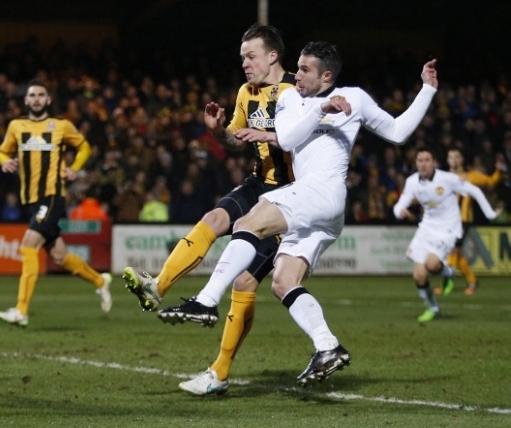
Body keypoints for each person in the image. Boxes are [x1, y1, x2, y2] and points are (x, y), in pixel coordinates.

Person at [175, 42, 437, 394]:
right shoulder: (288, 98)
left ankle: (206, 300)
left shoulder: (354, 98)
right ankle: (327, 345)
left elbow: (398, 132)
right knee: (283, 282)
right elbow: (287, 139)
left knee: (246, 224)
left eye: (305, 70)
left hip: (324, 191)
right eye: (297, 67)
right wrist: (320, 110)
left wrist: (427, 89)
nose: (296, 74)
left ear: (327, 75)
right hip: (319, 209)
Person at [123, 24, 295, 395]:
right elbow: (236, 140)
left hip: (291, 198)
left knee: (245, 281)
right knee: (213, 218)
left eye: (251, 56)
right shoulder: (246, 92)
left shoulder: (296, 92)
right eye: (242, 58)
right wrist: (219, 132)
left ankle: (219, 373)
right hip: (258, 183)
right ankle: (157, 286)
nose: (245, 64)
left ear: (272, 56)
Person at [0, 78, 112, 327]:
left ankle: (21, 310)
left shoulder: (61, 125)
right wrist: (5, 162)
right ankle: (100, 281)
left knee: (28, 246)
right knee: (59, 256)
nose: (36, 99)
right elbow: (3, 151)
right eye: (32, 95)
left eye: (40, 95)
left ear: (48, 100)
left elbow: (84, 147)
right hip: (30, 200)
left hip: (52, 196)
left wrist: (75, 168)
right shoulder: (16, 126)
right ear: (26, 100)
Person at [392, 148, 500, 322]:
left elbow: (475, 191)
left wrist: (490, 214)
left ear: (434, 162)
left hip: (448, 229)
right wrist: (399, 212)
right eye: (420, 160)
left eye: (427, 160)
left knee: (431, 264)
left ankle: (448, 272)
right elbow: (400, 204)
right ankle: (433, 308)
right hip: (426, 228)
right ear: (416, 163)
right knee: (419, 275)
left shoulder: (447, 179)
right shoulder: (412, 182)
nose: (423, 164)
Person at [440, 148, 506, 295]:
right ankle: (472, 281)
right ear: (447, 160)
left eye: (456, 157)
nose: (454, 160)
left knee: (453, 249)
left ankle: (448, 283)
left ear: (461, 160)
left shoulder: (471, 176)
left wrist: (498, 171)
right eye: (451, 157)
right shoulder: (443, 178)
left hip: (463, 220)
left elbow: (490, 181)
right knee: (457, 254)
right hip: (447, 221)